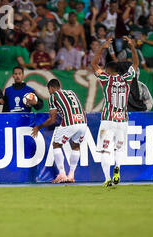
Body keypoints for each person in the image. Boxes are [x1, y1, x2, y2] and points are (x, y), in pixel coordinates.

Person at [91, 36, 139, 187]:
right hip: (122, 120)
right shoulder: (127, 78)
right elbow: (136, 64)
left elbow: (93, 64)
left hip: (108, 120)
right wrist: (132, 47)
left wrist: (102, 48)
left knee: (105, 151)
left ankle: (107, 179)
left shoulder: (106, 79)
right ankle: (117, 168)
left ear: (108, 70)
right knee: (119, 148)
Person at [31, 79, 87, 183]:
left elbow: (52, 119)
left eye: (49, 91)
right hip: (83, 121)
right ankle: (71, 175)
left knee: (56, 145)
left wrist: (39, 127)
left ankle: (62, 174)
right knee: (76, 146)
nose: (49, 93)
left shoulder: (53, 96)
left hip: (70, 122)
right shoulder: (71, 92)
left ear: (51, 88)